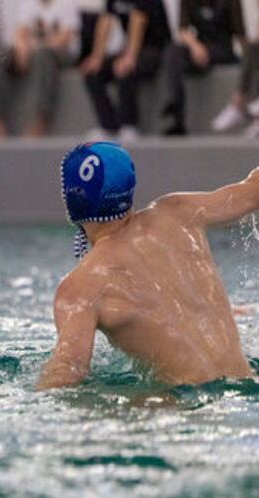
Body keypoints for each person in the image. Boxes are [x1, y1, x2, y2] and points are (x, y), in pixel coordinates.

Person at [37, 142, 257, 390]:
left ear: (71, 199)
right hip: (245, 382)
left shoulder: (80, 287)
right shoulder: (179, 212)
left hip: (185, 408)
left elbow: (67, 371)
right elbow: (253, 191)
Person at [80, 0, 172, 141]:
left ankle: (129, 125)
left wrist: (129, 56)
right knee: (93, 73)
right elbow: (105, 20)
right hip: (132, 47)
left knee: (125, 69)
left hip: (156, 49)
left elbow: (138, 21)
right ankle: (108, 125)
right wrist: (96, 57)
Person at [0, 0, 79, 137]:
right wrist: (21, 50)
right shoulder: (28, 4)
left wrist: (35, 46)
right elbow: (21, 32)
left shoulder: (66, 4)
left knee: (42, 56)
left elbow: (64, 39)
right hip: (34, 51)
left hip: (61, 54)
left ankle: (38, 121)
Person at [160, 0, 245, 136]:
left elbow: (241, 34)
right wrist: (194, 45)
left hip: (223, 49)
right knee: (173, 51)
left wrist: (248, 63)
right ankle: (176, 108)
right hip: (199, 47)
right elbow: (183, 29)